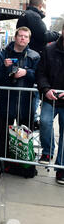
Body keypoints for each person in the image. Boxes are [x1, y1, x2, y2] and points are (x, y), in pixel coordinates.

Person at [0, 27, 39, 168]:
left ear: (29, 39)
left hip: (26, 101)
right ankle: (1, 162)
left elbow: (40, 75)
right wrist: (6, 69)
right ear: (15, 37)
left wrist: (26, 72)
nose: (22, 38)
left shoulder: (34, 56)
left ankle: (24, 165)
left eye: (25, 36)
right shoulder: (2, 55)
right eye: (20, 36)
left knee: (26, 134)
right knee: (2, 133)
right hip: (6, 100)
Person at [17, 0, 60, 130]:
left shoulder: (24, 15)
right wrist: (57, 34)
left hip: (26, 58)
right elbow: (44, 35)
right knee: (33, 96)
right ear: (40, 6)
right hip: (33, 58)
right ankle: (32, 120)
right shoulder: (34, 16)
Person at [36, 23, 64, 185]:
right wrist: (46, 89)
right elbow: (41, 73)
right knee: (45, 123)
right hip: (49, 97)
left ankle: (61, 168)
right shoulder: (49, 49)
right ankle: (47, 152)